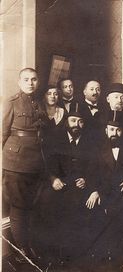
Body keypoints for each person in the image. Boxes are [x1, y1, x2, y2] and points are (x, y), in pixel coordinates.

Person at [38, 106, 98, 266]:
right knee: (46, 202)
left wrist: (86, 180)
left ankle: (71, 255)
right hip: (58, 183)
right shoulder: (55, 139)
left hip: (79, 186)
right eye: (73, 120)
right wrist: (53, 179)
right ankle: (49, 254)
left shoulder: (90, 142)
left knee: (76, 207)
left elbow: (95, 166)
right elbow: (47, 164)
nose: (76, 124)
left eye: (80, 121)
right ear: (66, 122)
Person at [85, 111, 123, 269]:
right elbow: (91, 175)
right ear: (106, 130)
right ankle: (105, 255)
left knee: (122, 214)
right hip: (105, 192)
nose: (114, 133)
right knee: (102, 211)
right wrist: (94, 191)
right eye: (111, 130)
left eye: (118, 130)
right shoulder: (97, 150)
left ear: (122, 132)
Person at [2, 68, 44, 262]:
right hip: (15, 164)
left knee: (31, 206)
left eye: (34, 80)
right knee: (18, 207)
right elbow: (1, 134)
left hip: (36, 163)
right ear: (19, 82)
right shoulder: (10, 102)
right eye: (26, 80)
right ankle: (21, 251)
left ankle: (28, 246)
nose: (30, 83)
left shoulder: (39, 102)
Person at [38, 86, 67, 159]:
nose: (52, 96)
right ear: (44, 96)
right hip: (40, 151)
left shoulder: (62, 112)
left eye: (55, 94)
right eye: (49, 94)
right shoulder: (38, 111)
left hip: (58, 151)